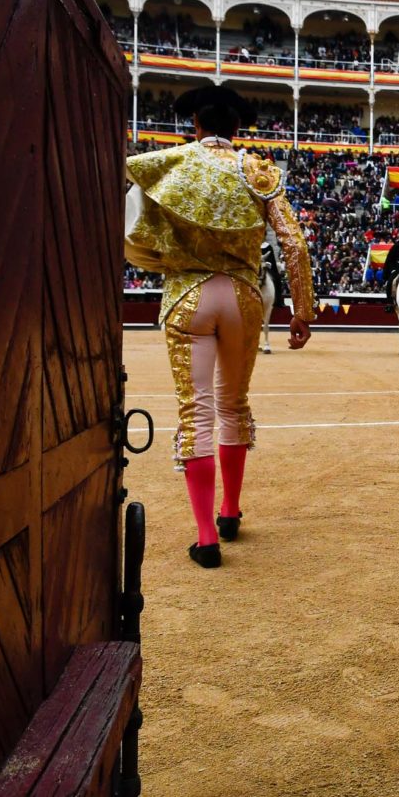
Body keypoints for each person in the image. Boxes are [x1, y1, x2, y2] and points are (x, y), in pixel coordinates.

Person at [124, 85, 316, 569]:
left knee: (197, 413)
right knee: (234, 404)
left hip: (188, 295)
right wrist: (301, 310)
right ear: (237, 130)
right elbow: (293, 245)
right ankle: (230, 511)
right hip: (244, 298)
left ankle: (206, 538)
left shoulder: (171, 163)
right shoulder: (256, 170)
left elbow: (132, 233)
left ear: (196, 126)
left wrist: (165, 261)